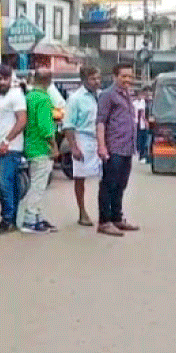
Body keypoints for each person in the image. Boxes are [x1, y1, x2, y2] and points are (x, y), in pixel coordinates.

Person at [96, 63, 139, 236]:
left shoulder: (127, 95)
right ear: (115, 77)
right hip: (113, 148)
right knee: (109, 184)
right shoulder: (107, 95)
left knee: (121, 184)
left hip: (127, 147)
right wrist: (102, 146)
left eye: (130, 76)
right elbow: (101, 122)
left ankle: (117, 218)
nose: (127, 79)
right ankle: (104, 221)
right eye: (124, 76)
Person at [16, 69, 59, 234]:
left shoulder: (29, 97)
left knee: (37, 183)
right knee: (38, 186)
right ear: (49, 81)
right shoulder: (43, 99)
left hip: (30, 145)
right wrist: (54, 146)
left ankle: (37, 218)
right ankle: (30, 220)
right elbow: (45, 127)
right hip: (41, 148)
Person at [63, 66, 102, 227]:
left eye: (98, 78)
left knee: (106, 177)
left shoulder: (101, 96)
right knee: (80, 178)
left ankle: (106, 212)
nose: (97, 82)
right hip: (83, 138)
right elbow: (68, 125)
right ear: (84, 80)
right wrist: (73, 147)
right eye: (93, 79)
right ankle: (82, 212)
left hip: (100, 139)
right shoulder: (75, 98)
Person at [0, 65, 27, 234]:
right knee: (9, 185)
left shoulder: (16, 95)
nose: (2, 82)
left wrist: (6, 141)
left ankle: (8, 220)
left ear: (10, 79)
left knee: (5, 184)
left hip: (11, 148)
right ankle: (9, 219)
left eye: (5, 79)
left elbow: (21, 121)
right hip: (1, 147)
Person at [133, 89, 148, 163]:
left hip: (141, 123)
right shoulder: (134, 103)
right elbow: (140, 112)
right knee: (138, 139)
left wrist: (145, 122)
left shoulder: (143, 102)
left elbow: (143, 112)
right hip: (137, 123)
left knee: (142, 139)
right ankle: (139, 153)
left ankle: (142, 154)